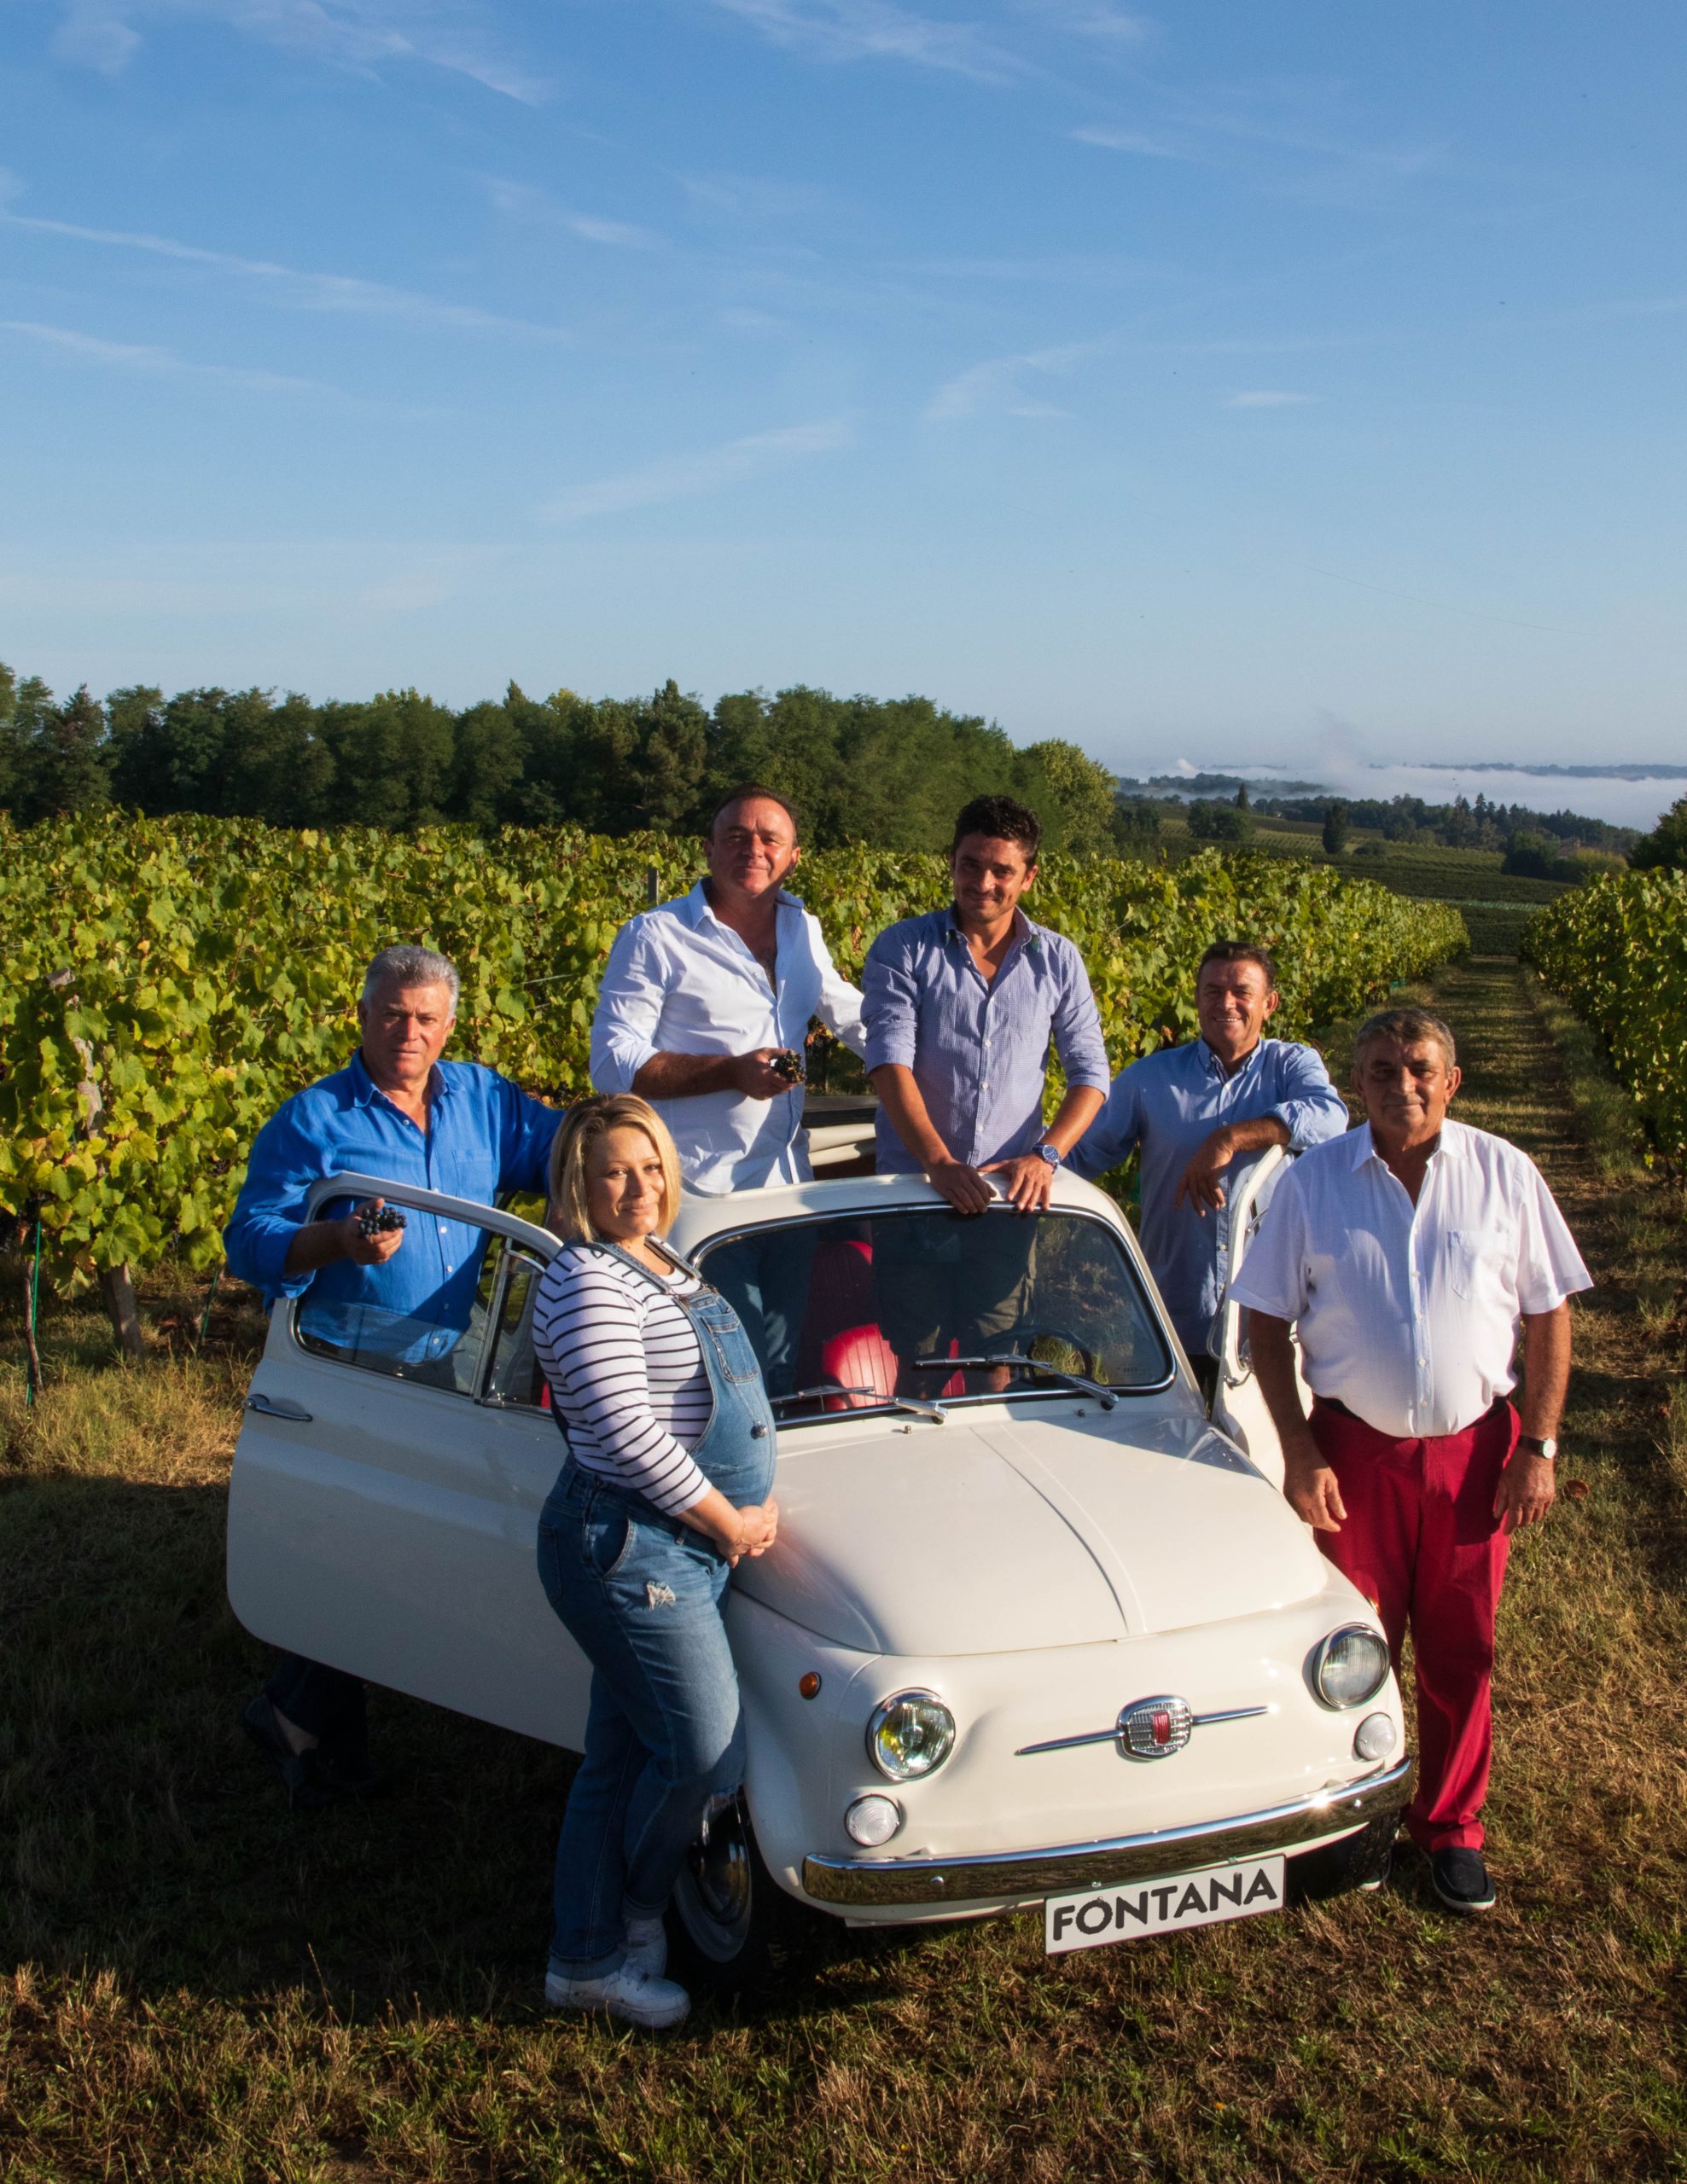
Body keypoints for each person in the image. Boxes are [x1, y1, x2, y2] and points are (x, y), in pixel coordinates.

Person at [1229, 1007, 1590, 1914]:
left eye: (1420, 1067)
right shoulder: (1314, 1184)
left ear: (1452, 1079)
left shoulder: (1505, 1175)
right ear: (1359, 1084)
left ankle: (1451, 1828)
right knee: (1354, 1645)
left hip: (1477, 1454)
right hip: (1354, 1452)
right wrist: (1301, 1447)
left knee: (1463, 1649)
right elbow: (1264, 1320)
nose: (1402, 1085)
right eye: (1383, 1070)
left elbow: (1548, 1315)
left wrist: (1538, 1445)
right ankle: (1349, 1823)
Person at [224, 944, 560, 1807]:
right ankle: (305, 1721)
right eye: (392, 1014)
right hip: (353, 1355)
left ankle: (303, 1717)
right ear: (363, 1014)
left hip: (461, 1345)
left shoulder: (484, 1099)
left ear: (451, 1023)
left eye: (425, 1017)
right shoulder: (314, 1119)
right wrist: (334, 1240)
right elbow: (249, 1239)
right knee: (366, 1539)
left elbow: (562, 1146)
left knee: (403, 1535)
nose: (408, 1031)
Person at [532, 1095, 780, 2030]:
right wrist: (727, 1519)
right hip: (632, 1543)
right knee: (707, 1751)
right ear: (580, 1185)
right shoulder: (589, 1277)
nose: (639, 1188)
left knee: (620, 1753)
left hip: (677, 1542)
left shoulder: (664, 1260)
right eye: (613, 1173)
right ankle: (634, 1921)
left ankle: (583, 1957)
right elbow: (627, 1432)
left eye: (650, 1167)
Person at [590, 783, 866, 1389]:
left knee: (780, 1365)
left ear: (793, 856)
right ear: (709, 849)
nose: (754, 849)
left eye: (770, 838)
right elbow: (611, 1062)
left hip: (786, 1191)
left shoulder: (802, 929)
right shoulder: (655, 935)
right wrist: (728, 1071)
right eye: (737, 836)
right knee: (727, 1376)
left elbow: (851, 1017)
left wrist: (933, 1063)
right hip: (700, 1198)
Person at [861, 793, 1110, 1382]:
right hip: (913, 1194)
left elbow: (1090, 1074)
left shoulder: (1058, 960)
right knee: (915, 1360)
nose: (983, 882)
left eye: (1002, 870)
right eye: (971, 864)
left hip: (1005, 1201)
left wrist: (1046, 1156)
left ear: (1028, 877)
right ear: (951, 862)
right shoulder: (903, 947)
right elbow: (887, 1062)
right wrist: (938, 1163)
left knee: (996, 1355)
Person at [1070, 941, 1349, 1387]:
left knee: (1259, 1447)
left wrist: (1231, 1137)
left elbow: (1331, 1117)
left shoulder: (1291, 1066)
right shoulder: (1148, 1079)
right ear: (1197, 999)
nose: (1226, 1003)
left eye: (1241, 991)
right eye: (1213, 991)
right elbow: (1084, 1154)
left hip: (1269, 1311)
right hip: (1171, 1309)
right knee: (1157, 1448)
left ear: (1269, 1003)